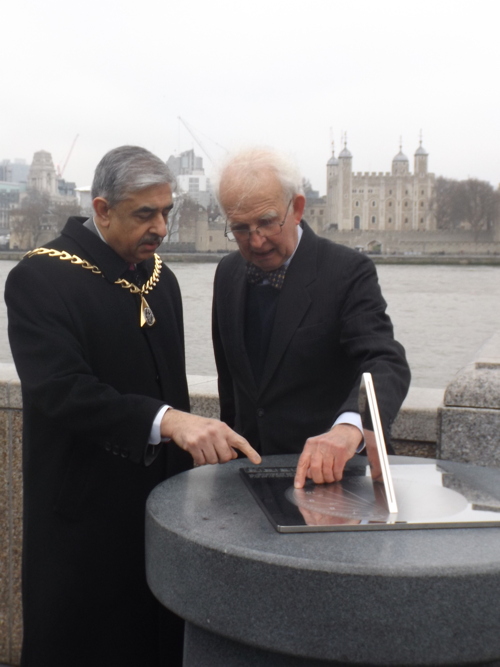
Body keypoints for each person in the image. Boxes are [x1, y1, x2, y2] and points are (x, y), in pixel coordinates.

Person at [5, 145, 260, 667]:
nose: (161, 228)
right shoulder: (38, 278)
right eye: (145, 214)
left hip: (160, 512)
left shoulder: (160, 278)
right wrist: (167, 421)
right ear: (101, 209)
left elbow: (175, 389)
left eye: (167, 212)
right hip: (83, 520)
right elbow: (61, 390)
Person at [212, 148, 410, 489]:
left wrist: (350, 428)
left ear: (298, 209)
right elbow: (230, 384)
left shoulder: (347, 271)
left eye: (267, 222)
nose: (256, 241)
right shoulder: (227, 272)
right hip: (247, 478)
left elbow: (384, 361)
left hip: (334, 480)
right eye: (240, 228)